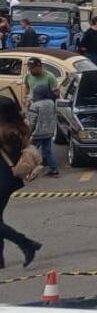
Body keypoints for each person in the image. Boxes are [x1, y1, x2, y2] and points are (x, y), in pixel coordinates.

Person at [0, 97, 41, 268]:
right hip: (8, 178)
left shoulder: (8, 131)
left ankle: (26, 243)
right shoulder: (20, 126)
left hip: (4, 178)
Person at [25, 85, 58, 177]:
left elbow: (32, 121)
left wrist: (28, 133)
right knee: (47, 151)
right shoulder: (51, 102)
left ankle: (29, 171)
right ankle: (54, 169)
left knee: (30, 152)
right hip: (49, 131)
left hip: (37, 133)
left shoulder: (35, 105)